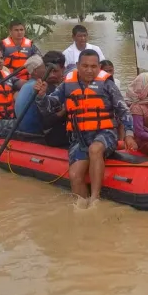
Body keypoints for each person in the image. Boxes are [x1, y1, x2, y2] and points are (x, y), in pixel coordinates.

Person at [34, 50, 137, 207]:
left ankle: (95, 199)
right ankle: (82, 207)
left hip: (105, 133)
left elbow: (124, 110)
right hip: (79, 137)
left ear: (99, 67)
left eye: (94, 66)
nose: (90, 70)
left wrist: (129, 134)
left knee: (95, 149)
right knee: (75, 175)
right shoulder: (67, 84)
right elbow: (49, 106)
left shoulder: (107, 84)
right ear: (77, 66)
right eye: (85, 66)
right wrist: (41, 96)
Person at [38, 51, 70, 148]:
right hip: (52, 134)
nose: (51, 75)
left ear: (63, 69)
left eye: (55, 71)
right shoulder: (41, 88)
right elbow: (45, 122)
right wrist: (64, 110)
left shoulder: (69, 84)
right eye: (49, 71)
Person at [14, 56, 49, 136]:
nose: (46, 69)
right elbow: (46, 110)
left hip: (23, 127)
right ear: (35, 71)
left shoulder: (27, 85)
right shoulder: (37, 86)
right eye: (43, 67)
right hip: (32, 130)